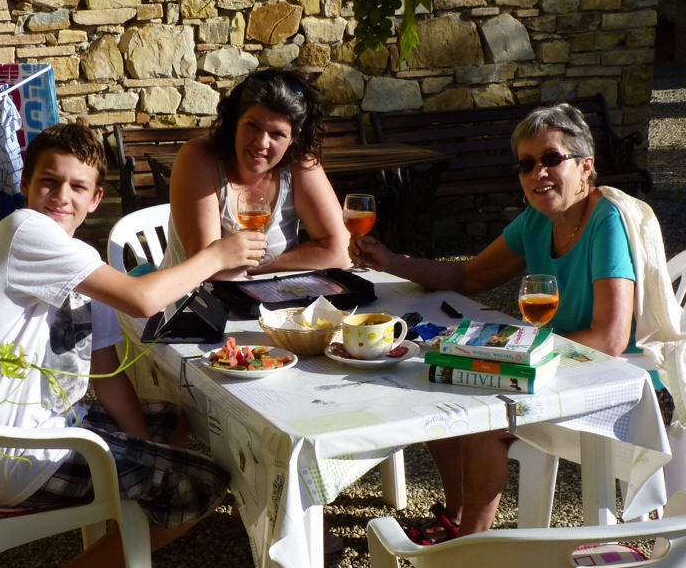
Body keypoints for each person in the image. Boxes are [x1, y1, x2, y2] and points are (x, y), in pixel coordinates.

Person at [0, 123, 267, 568]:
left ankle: (119, 560)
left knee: (178, 422)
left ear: (96, 199)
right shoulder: (23, 230)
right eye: (49, 181)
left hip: (35, 430)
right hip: (10, 454)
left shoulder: (83, 264)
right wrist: (216, 256)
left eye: (78, 187)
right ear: (26, 185)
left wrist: (144, 446)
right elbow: (143, 299)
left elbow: (105, 372)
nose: (61, 196)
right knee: (208, 481)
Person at [349, 102, 637, 539]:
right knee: (441, 383)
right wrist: (389, 261)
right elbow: (467, 277)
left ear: (585, 166)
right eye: (526, 164)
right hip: (551, 362)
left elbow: (611, 339)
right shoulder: (536, 221)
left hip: (608, 375)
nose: (538, 172)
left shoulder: (606, 221)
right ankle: (456, 517)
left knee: (484, 422)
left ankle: (470, 552)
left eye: (551, 158)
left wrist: (520, 355)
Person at [159, 67, 350, 278]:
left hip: (271, 298)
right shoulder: (199, 157)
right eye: (252, 126)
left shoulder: (298, 163)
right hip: (192, 297)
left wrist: (259, 267)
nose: (261, 143)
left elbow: (341, 252)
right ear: (235, 122)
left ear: (293, 138)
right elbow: (207, 271)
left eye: (277, 134)